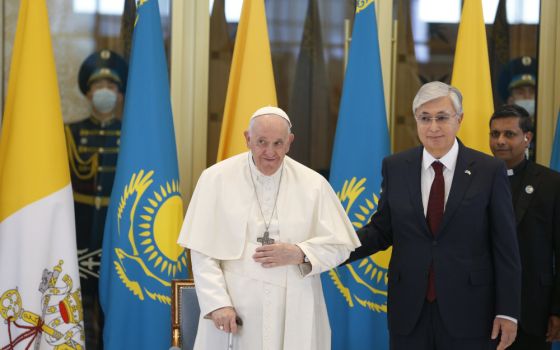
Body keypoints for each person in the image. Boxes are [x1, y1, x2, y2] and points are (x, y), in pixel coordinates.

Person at [347, 81, 522, 350]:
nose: (433, 127)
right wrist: (323, 252)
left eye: (442, 117)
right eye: (425, 118)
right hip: (409, 311)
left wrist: (508, 311)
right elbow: (381, 231)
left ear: (459, 119)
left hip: (471, 311)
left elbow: (506, 247)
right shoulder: (395, 167)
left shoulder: (489, 170)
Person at [177, 106, 360, 350]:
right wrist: (217, 303)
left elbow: (341, 245)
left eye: (278, 143)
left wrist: (300, 253)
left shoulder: (314, 185)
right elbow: (202, 251)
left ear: (289, 142)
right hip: (236, 305)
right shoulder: (215, 179)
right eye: (262, 142)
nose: (270, 152)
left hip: (295, 306)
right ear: (247, 139)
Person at [64, 49, 128, 349]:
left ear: (119, 94)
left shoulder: (128, 134)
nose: (105, 92)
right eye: (99, 87)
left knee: (112, 299)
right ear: (88, 93)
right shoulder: (70, 133)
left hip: (114, 227)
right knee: (79, 296)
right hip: (80, 225)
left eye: (111, 87)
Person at [489, 104, 560, 350]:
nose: (500, 141)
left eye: (509, 134)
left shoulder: (552, 183)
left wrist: (557, 309)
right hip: (483, 308)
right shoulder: (474, 181)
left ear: (527, 138)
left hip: (534, 310)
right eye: (495, 134)